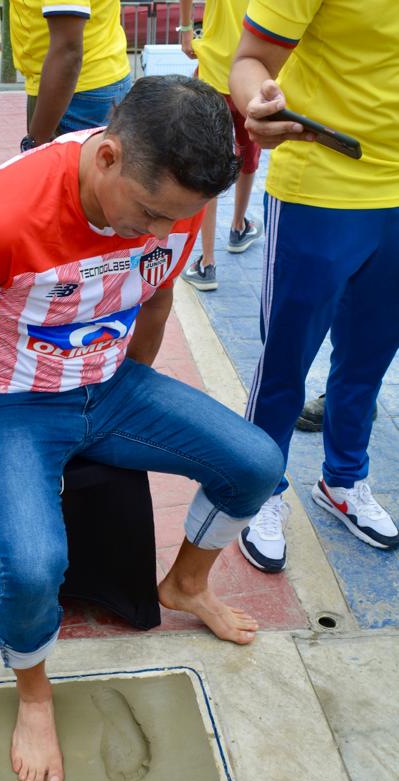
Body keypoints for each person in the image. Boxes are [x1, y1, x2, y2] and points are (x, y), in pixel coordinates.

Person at [0, 76, 284, 781]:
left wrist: (131, 384)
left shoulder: (173, 203)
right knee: (34, 562)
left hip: (106, 385)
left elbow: (160, 292)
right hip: (10, 398)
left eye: (174, 220)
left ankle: (184, 584)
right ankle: (34, 692)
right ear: (106, 157)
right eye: (147, 213)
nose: (157, 232)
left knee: (255, 464)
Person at [230, 0, 399, 573]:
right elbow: (251, 59)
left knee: (370, 359)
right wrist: (259, 102)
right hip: (321, 185)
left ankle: (345, 480)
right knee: (285, 360)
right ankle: (259, 488)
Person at [179, 0, 262, 291]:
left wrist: (187, 28)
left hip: (215, 70)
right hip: (256, 74)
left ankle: (208, 262)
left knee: (208, 163)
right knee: (249, 155)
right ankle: (238, 227)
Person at [10, 0, 131, 151]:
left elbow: (68, 50)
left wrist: (35, 144)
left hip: (72, 89)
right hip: (91, 76)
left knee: (66, 170)